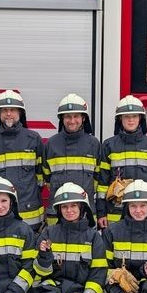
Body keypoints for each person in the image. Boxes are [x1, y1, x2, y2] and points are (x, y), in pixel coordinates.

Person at [32, 183, 107, 293]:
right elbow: (39, 273)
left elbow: (98, 277)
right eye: (64, 207)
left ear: (83, 208)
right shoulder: (48, 233)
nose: (69, 210)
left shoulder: (94, 237)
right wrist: (44, 257)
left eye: (74, 205)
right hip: (55, 291)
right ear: (59, 210)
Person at [96, 96, 147, 228]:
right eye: (126, 116)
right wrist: (101, 213)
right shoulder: (108, 145)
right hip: (114, 212)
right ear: (120, 119)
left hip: (143, 213)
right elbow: (102, 184)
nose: (131, 120)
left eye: (134, 116)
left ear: (140, 119)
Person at [0, 90, 45, 231]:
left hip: (30, 212)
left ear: (20, 113)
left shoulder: (33, 139)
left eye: (13, 110)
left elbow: (41, 178)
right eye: (4, 110)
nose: (8, 114)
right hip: (1, 214)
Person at [42, 94, 101, 225]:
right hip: (56, 212)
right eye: (68, 116)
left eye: (76, 116)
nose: (72, 121)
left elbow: (98, 178)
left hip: (87, 211)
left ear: (83, 118)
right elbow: (47, 179)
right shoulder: (51, 144)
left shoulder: (93, 144)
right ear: (62, 119)